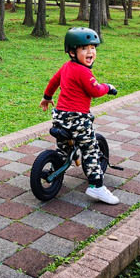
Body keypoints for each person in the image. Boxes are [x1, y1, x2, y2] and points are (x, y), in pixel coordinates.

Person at [40, 27, 120, 204]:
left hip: (60, 117)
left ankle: (56, 168)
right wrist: (108, 87)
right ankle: (97, 187)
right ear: (72, 52)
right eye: (84, 48)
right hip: (78, 119)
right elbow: (95, 90)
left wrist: (47, 97)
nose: (90, 52)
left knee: (63, 149)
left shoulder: (66, 67)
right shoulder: (84, 72)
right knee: (90, 149)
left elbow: (54, 81)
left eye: (93, 47)